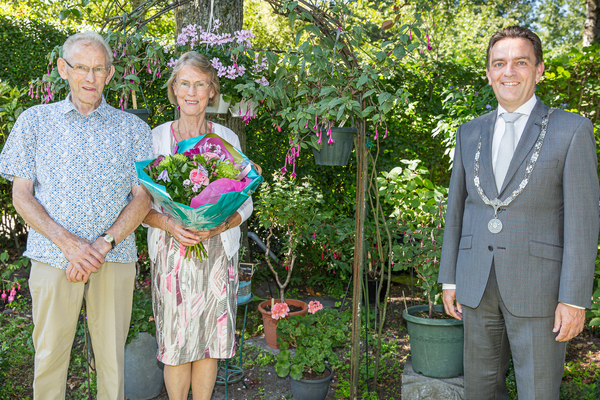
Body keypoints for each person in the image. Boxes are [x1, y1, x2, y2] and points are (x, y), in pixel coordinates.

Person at [438, 26, 599, 399]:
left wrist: (574, 299)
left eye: (520, 62)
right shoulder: (469, 132)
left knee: (538, 392)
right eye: (499, 63)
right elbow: (457, 207)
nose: (508, 72)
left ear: (539, 70)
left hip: (540, 291)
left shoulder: (571, 129)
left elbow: (583, 221)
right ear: (490, 73)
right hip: (475, 285)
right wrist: (449, 278)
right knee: (480, 389)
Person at [0, 31, 152, 399]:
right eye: (81, 67)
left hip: (113, 256)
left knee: (112, 360)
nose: (90, 77)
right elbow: (21, 195)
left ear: (111, 74)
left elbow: (143, 199)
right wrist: (69, 244)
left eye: (98, 69)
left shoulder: (134, 129)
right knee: (50, 356)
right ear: (62, 69)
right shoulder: (34, 121)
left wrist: (99, 246)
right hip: (54, 256)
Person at [143, 51, 255, 400]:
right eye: (185, 83)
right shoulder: (154, 139)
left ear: (212, 91)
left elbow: (245, 199)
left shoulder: (227, 138)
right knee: (176, 340)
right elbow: (136, 207)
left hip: (217, 250)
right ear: (174, 89)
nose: (192, 92)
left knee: (211, 339)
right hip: (171, 249)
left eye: (201, 84)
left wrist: (218, 228)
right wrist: (170, 224)